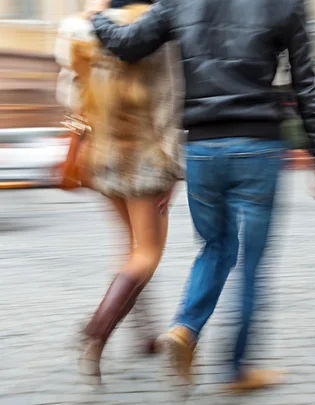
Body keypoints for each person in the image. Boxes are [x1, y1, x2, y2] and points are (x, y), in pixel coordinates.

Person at [84, 0, 315, 390]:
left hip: (203, 148)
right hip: (258, 147)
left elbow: (127, 44)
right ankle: (237, 368)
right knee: (252, 264)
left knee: (215, 248)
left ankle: (185, 329)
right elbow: (307, 80)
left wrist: (97, 16)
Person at [55, 0, 184, 384]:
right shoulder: (159, 30)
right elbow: (170, 105)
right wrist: (174, 168)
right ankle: (97, 329)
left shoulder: (84, 28)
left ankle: (144, 335)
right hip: (146, 159)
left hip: (102, 156)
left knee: (129, 249)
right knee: (147, 253)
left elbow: (70, 96)